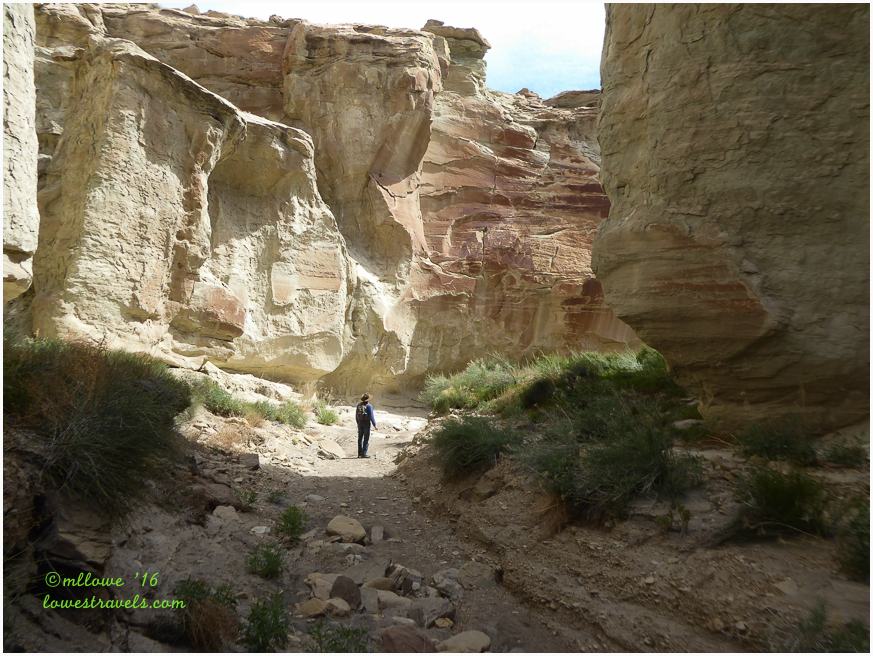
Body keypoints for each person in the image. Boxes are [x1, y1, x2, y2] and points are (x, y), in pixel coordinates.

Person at [355, 393, 377, 458]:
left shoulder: (358, 405)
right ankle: (364, 454)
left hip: (360, 423)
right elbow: (371, 416)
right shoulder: (369, 406)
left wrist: (358, 423)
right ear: (368, 399)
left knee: (360, 439)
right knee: (366, 439)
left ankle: (359, 454)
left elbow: (356, 415)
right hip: (366, 424)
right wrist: (374, 425)